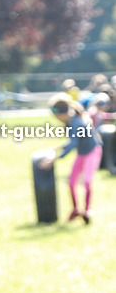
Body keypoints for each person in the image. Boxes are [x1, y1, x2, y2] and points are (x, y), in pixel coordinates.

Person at [41, 93, 103, 224]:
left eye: (56, 116)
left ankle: (87, 211)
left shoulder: (76, 122)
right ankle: (76, 209)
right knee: (71, 182)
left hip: (92, 151)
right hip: (82, 152)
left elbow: (73, 144)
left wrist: (56, 158)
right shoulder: (70, 122)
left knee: (86, 181)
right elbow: (72, 142)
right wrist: (58, 148)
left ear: (61, 114)